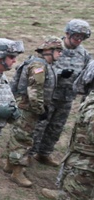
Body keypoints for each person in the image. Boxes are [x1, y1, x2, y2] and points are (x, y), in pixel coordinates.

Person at [33, 20, 91, 166]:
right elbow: (40, 66)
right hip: (49, 95)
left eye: (82, 37)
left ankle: (44, 153)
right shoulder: (54, 47)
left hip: (67, 98)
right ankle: (29, 154)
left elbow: (86, 73)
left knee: (56, 127)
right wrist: (59, 73)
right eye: (76, 36)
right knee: (39, 126)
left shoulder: (83, 53)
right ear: (67, 34)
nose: (78, 40)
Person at [6, 37, 62, 188]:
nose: (60, 54)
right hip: (28, 108)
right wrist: (40, 109)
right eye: (58, 51)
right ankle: (17, 172)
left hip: (27, 107)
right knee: (24, 139)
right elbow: (34, 91)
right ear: (48, 51)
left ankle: (9, 165)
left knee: (18, 136)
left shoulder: (42, 64)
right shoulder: (38, 66)